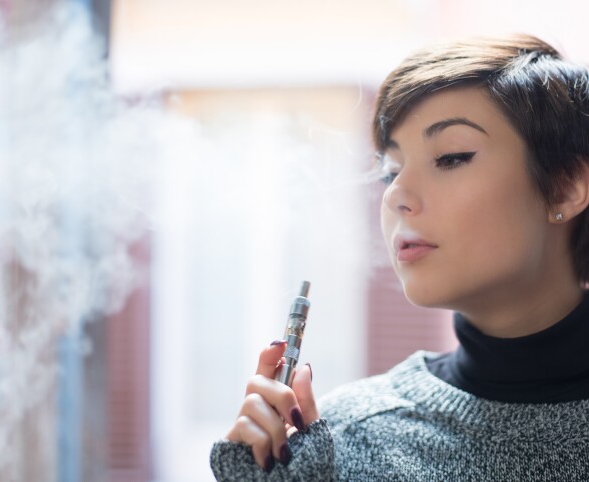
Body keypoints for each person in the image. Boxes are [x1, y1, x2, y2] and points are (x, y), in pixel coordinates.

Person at [209, 34, 589, 480]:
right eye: (390, 171)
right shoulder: (341, 442)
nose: (396, 195)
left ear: (565, 186)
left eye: (450, 157)